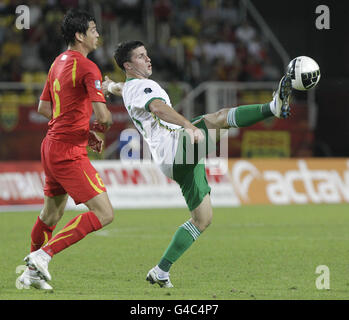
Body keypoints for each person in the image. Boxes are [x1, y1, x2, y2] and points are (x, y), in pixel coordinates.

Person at [103, 40, 292, 288]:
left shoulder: (128, 87)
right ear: (128, 65)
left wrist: (109, 85)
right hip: (175, 148)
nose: (148, 59)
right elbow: (158, 108)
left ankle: (161, 270)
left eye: (147, 54)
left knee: (202, 219)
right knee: (219, 118)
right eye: (140, 56)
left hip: (173, 161)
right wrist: (189, 126)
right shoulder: (142, 86)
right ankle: (273, 107)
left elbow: (119, 87)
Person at [19, 9, 114, 290]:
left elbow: (44, 108)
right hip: (68, 152)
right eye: (94, 29)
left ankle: (30, 275)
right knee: (104, 213)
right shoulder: (87, 67)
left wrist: (82, 131)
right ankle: (42, 255)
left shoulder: (57, 63)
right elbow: (106, 117)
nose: (98, 35)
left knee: (50, 215)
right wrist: (96, 130)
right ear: (80, 35)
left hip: (51, 146)